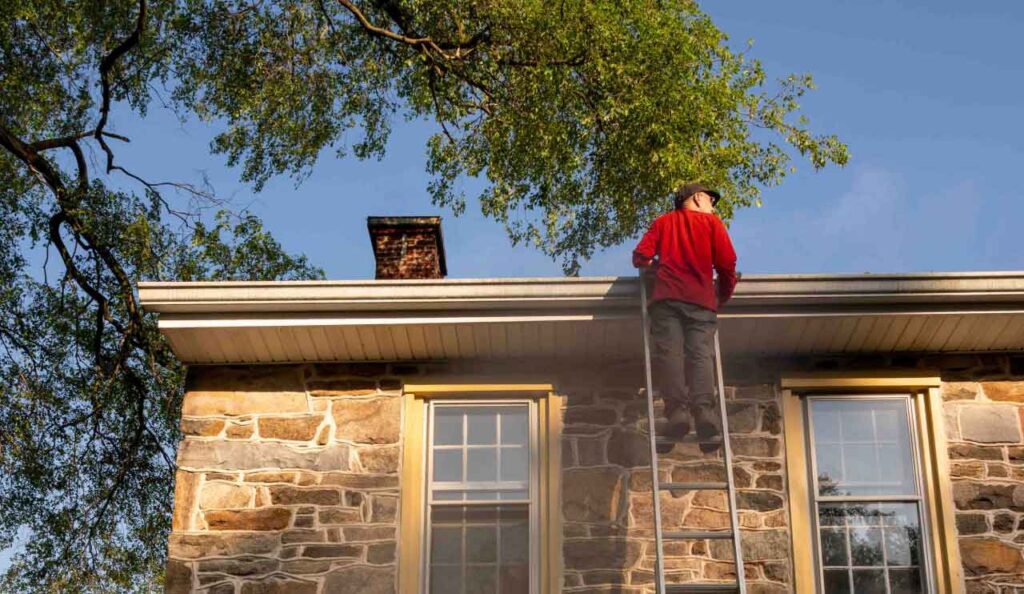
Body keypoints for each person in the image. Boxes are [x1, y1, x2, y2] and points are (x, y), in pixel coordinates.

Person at [633, 183, 738, 450]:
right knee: (700, 355)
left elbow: (640, 257)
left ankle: (677, 413)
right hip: (701, 302)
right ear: (699, 198)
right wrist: (721, 297)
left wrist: (656, 266)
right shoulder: (713, 225)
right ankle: (704, 414)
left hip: (666, 299)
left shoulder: (663, 222)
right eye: (711, 200)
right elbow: (727, 264)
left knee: (671, 355)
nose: (713, 206)